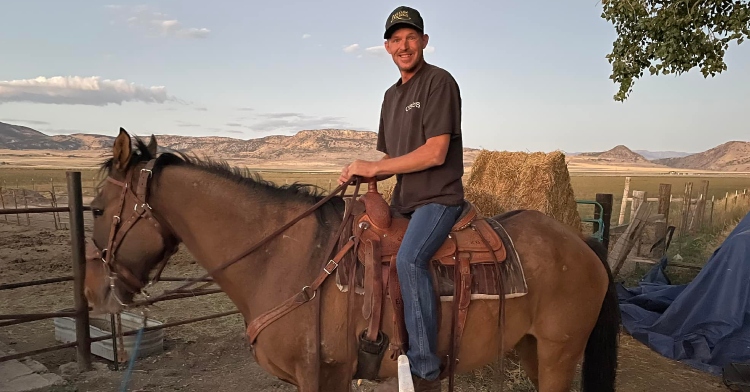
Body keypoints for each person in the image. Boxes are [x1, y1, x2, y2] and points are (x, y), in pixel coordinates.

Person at [338, 5, 464, 391]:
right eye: (396, 39)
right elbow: (392, 161)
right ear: (387, 47)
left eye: (411, 37)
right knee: (356, 243)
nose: (404, 45)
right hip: (405, 200)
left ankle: (425, 370)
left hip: (438, 199)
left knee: (410, 260)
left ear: (424, 42)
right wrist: (364, 169)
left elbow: (435, 152)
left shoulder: (439, 83)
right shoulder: (391, 97)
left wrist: (375, 168)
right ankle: (372, 338)